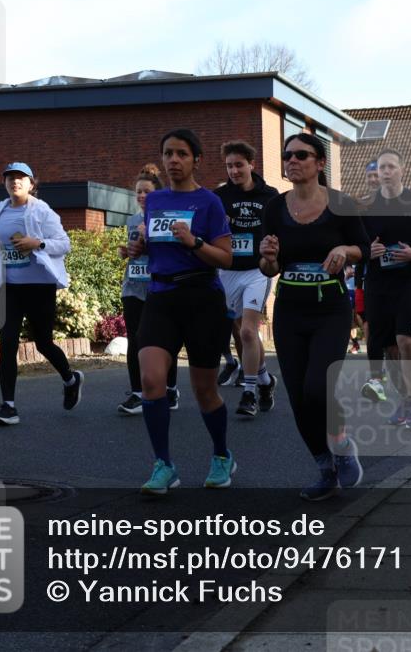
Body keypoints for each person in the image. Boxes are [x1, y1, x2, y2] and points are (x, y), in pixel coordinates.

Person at [125, 128, 235, 495]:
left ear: (196, 160)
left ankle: (222, 455)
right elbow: (155, 245)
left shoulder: (210, 202)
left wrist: (194, 242)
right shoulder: (154, 200)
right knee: (151, 380)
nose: (174, 160)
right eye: (168, 153)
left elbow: (226, 258)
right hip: (161, 297)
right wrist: (139, 249)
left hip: (202, 298)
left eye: (182, 154)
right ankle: (164, 465)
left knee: (204, 390)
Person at [259, 133, 368, 501]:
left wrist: (344, 249)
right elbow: (268, 268)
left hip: (330, 310)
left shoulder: (341, 204)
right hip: (290, 310)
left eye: (301, 155)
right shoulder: (274, 208)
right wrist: (268, 256)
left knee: (317, 387)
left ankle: (341, 443)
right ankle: (325, 468)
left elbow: (364, 248)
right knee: (298, 396)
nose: (292, 161)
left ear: (320, 163)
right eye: (287, 155)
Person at [0, 162, 83, 427]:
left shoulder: (43, 211)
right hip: (9, 288)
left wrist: (37, 243)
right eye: (9, 178)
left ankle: (71, 379)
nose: (14, 181)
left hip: (39, 287)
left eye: (21, 178)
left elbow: (64, 244)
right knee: (7, 342)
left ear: (32, 184)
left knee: (43, 343)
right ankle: (8, 406)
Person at [359, 149, 411, 428]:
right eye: (381, 167)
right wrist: (368, 250)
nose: (385, 172)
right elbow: (357, 244)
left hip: (409, 282)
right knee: (390, 348)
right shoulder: (366, 207)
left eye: (391, 166)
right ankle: (406, 400)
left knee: (406, 340)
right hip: (378, 284)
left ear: (402, 170)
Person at [214, 140, 279, 417]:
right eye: (229, 166)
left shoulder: (270, 195)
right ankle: (265, 380)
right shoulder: (219, 197)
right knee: (241, 331)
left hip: (257, 270)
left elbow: (279, 231)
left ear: (252, 164)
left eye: (239, 165)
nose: (234, 171)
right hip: (227, 270)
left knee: (249, 332)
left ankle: (249, 393)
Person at [116, 164, 179, 415]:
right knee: (135, 339)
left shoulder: (166, 218)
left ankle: (170, 388)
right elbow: (134, 253)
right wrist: (126, 252)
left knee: (164, 338)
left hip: (159, 286)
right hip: (133, 285)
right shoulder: (133, 220)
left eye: (147, 192)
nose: (142, 196)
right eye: (138, 192)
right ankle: (137, 393)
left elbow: (171, 252)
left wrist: (149, 237)